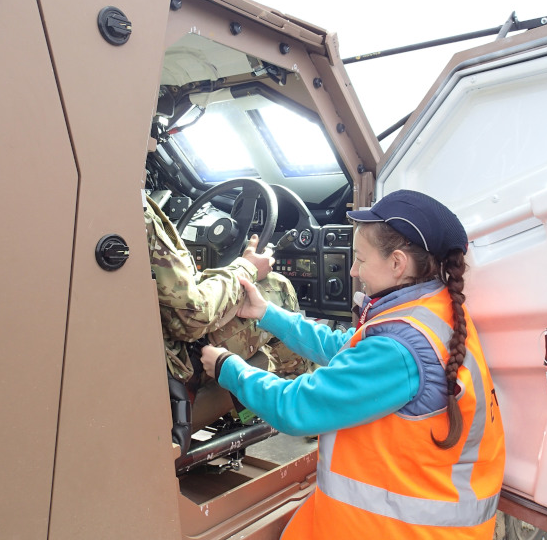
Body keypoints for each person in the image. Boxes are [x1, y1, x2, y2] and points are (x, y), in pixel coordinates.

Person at [200, 189, 505, 540]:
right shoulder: (434, 310)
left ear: (397, 264)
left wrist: (227, 367)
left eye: (360, 259)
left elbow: (296, 407)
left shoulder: (399, 351)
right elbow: (348, 349)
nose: (353, 273)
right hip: (402, 508)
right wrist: (267, 314)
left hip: (407, 530)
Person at [144, 194, 309, 389]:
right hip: (176, 359)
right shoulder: (136, 211)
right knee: (277, 287)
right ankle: (298, 394)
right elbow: (192, 316)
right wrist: (247, 268)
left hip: (147, 349)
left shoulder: (112, 204)